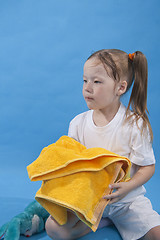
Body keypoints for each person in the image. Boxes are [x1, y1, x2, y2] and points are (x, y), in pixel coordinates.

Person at [45, 49, 160, 240]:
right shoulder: (77, 123)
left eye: (96, 81)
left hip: (126, 202)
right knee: (54, 229)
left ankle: (116, 219)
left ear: (120, 88)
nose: (87, 88)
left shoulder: (134, 125)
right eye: (85, 80)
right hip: (88, 201)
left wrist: (128, 186)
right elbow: (72, 164)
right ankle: (103, 220)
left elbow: (148, 167)